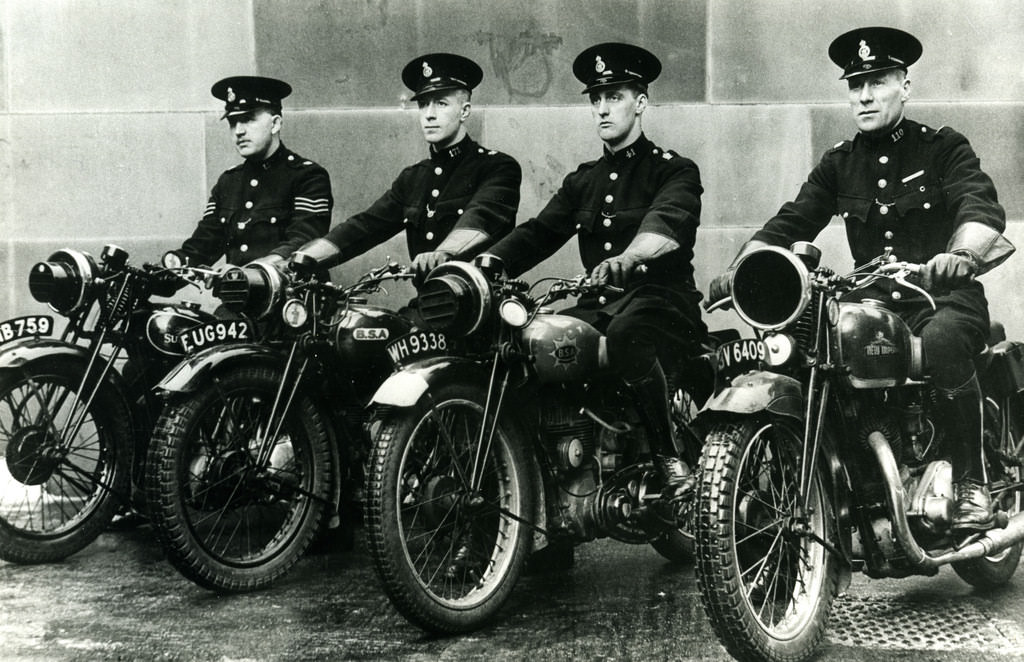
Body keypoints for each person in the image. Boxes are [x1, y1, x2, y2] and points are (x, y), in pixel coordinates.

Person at [707, 27, 1014, 533]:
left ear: (905, 86)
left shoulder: (942, 148)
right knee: (808, 354)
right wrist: (742, 269)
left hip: (942, 297)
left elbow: (979, 205)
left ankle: (972, 482)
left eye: (877, 82)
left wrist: (960, 254)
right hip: (873, 305)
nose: (864, 96)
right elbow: (790, 222)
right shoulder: (839, 163)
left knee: (941, 345)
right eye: (855, 85)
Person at [483, 42, 709, 505]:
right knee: (533, 344)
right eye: (596, 99)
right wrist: (487, 264)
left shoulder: (674, 170)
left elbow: (667, 224)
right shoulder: (583, 181)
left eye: (615, 97)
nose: (603, 109)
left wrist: (628, 258)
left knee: (628, 332)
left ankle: (671, 459)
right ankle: (549, 503)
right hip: (599, 306)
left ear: (640, 103)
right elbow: (539, 232)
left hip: (661, 303)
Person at [290, 53, 521, 286]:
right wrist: (302, 259)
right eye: (423, 104)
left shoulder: (497, 167)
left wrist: (443, 254)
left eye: (441, 103)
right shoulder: (414, 178)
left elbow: (482, 216)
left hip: (483, 306)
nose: (429, 114)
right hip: (428, 304)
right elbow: (364, 227)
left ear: (464, 111)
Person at [168, 75, 333, 272]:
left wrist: (251, 271)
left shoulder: (307, 176)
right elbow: (202, 245)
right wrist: (171, 265)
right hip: (239, 299)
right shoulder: (228, 182)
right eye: (232, 122)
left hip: (292, 299)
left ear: (275, 124)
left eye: (247, 120)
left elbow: (304, 242)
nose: (238, 131)